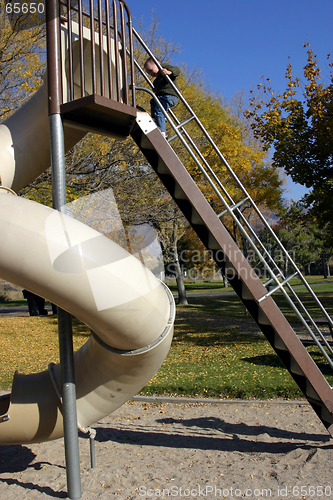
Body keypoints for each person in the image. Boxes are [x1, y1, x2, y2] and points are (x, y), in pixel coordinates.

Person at [144, 57, 180, 138]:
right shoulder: (156, 81)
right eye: (149, 74)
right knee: (153, 102)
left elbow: (177, 70)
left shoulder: (163, 68)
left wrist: (169, 72)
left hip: (170, 95)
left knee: (159, 110)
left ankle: (162, 132)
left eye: (150, 70)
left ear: (157, 64)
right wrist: (155, 89)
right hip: (163, 96)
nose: (151, 74)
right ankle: (158, 119)